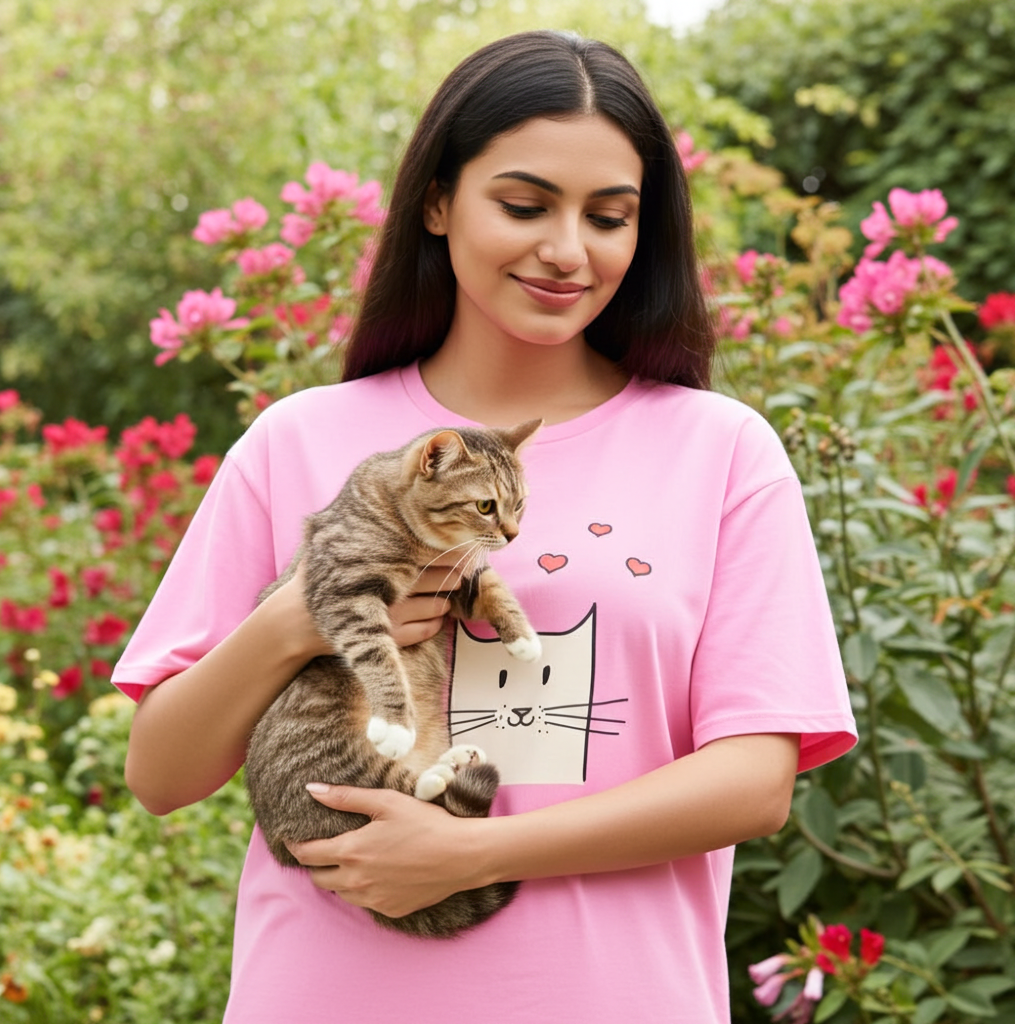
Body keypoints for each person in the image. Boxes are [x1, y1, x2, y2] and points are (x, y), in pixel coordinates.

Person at [116, 30, 857, 1024]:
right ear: (436, 201)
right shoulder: (298, 440)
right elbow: (161, 773)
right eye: (523, 205)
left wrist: (474, 850)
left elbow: (755, 781)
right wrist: (299, 616)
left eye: (609, 217)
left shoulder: (719, 451)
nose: (567, 249)